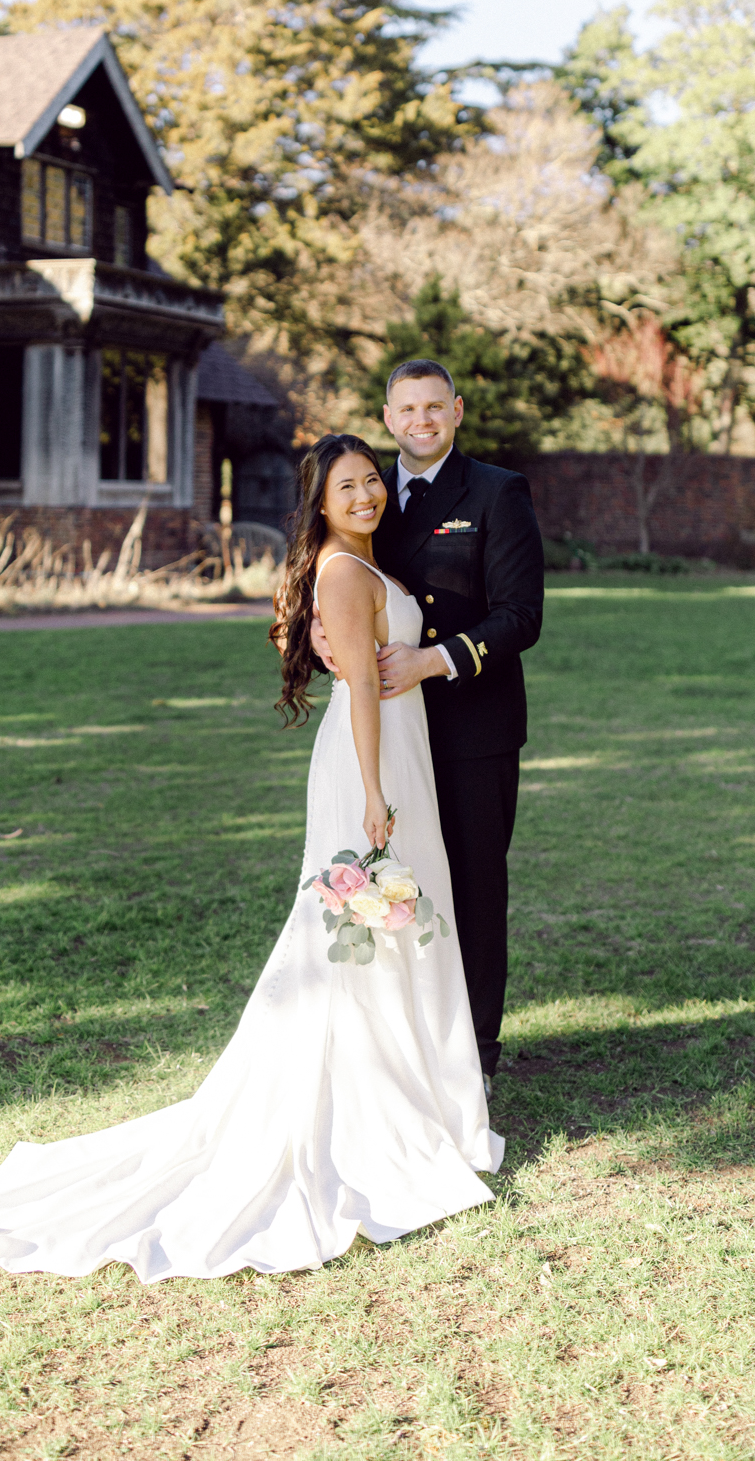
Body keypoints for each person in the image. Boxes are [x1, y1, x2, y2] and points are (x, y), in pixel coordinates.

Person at [0, 433, 501, 1283]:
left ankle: (414, 1088)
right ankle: (382, 1104)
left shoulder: (365, 567)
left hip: (398, 758)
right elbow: (358, 698)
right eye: (346, 486)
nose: (366, 495)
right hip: (371, 768)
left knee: (392, 932)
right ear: (317, 502)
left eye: (371, 482)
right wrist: (377, 795)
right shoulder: (343, 575)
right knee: (365, 934)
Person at [311, 361, 545, 1087]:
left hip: (473, 728)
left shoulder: (497, 492)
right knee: (404, 888)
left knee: (473, 889)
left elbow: (519, 617)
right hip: (394, 733)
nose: (421, 421)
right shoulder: (371, 492)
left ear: (456, 410)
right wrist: (322, 649)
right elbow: (339, 586)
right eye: (407, 408)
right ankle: (405, 1046)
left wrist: (433, 660)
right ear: (387, 416)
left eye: (434, 407)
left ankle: (473, 1058)